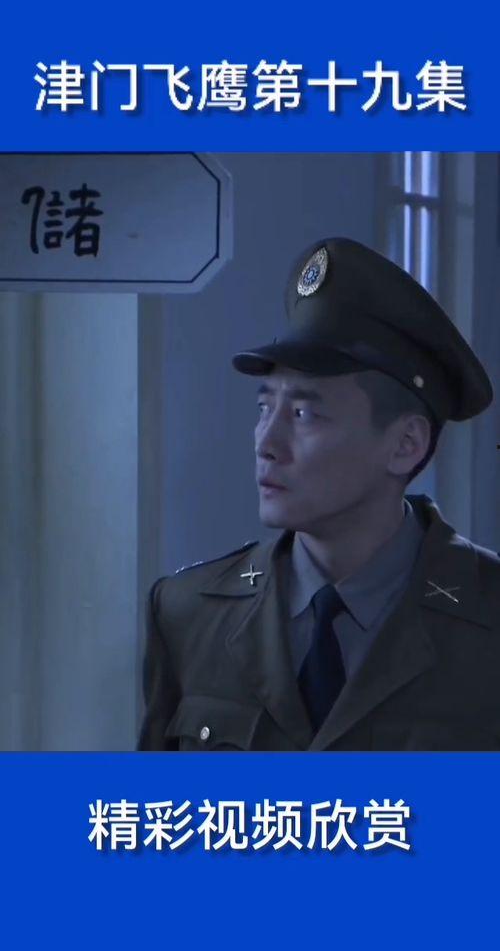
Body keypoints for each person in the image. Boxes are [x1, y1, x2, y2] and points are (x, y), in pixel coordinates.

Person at [138, 237, 500, 751]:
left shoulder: (487, 615)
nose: (267, 443)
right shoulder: (190, 613)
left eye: (304, 413)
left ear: (405, 444)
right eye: (265, 408)